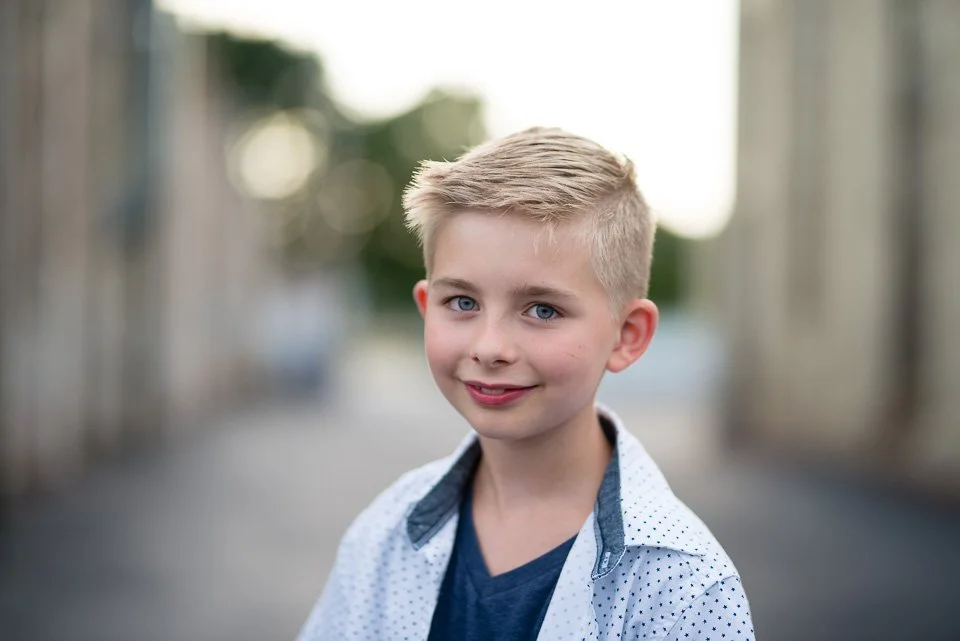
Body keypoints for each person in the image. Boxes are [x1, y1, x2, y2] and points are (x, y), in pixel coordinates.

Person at [296, 127, 754, 640]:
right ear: (427, 308)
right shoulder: (385, 534)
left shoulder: (684, 585)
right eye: (463, 303)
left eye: (542, 309)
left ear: (627, 335)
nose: (490, 346)